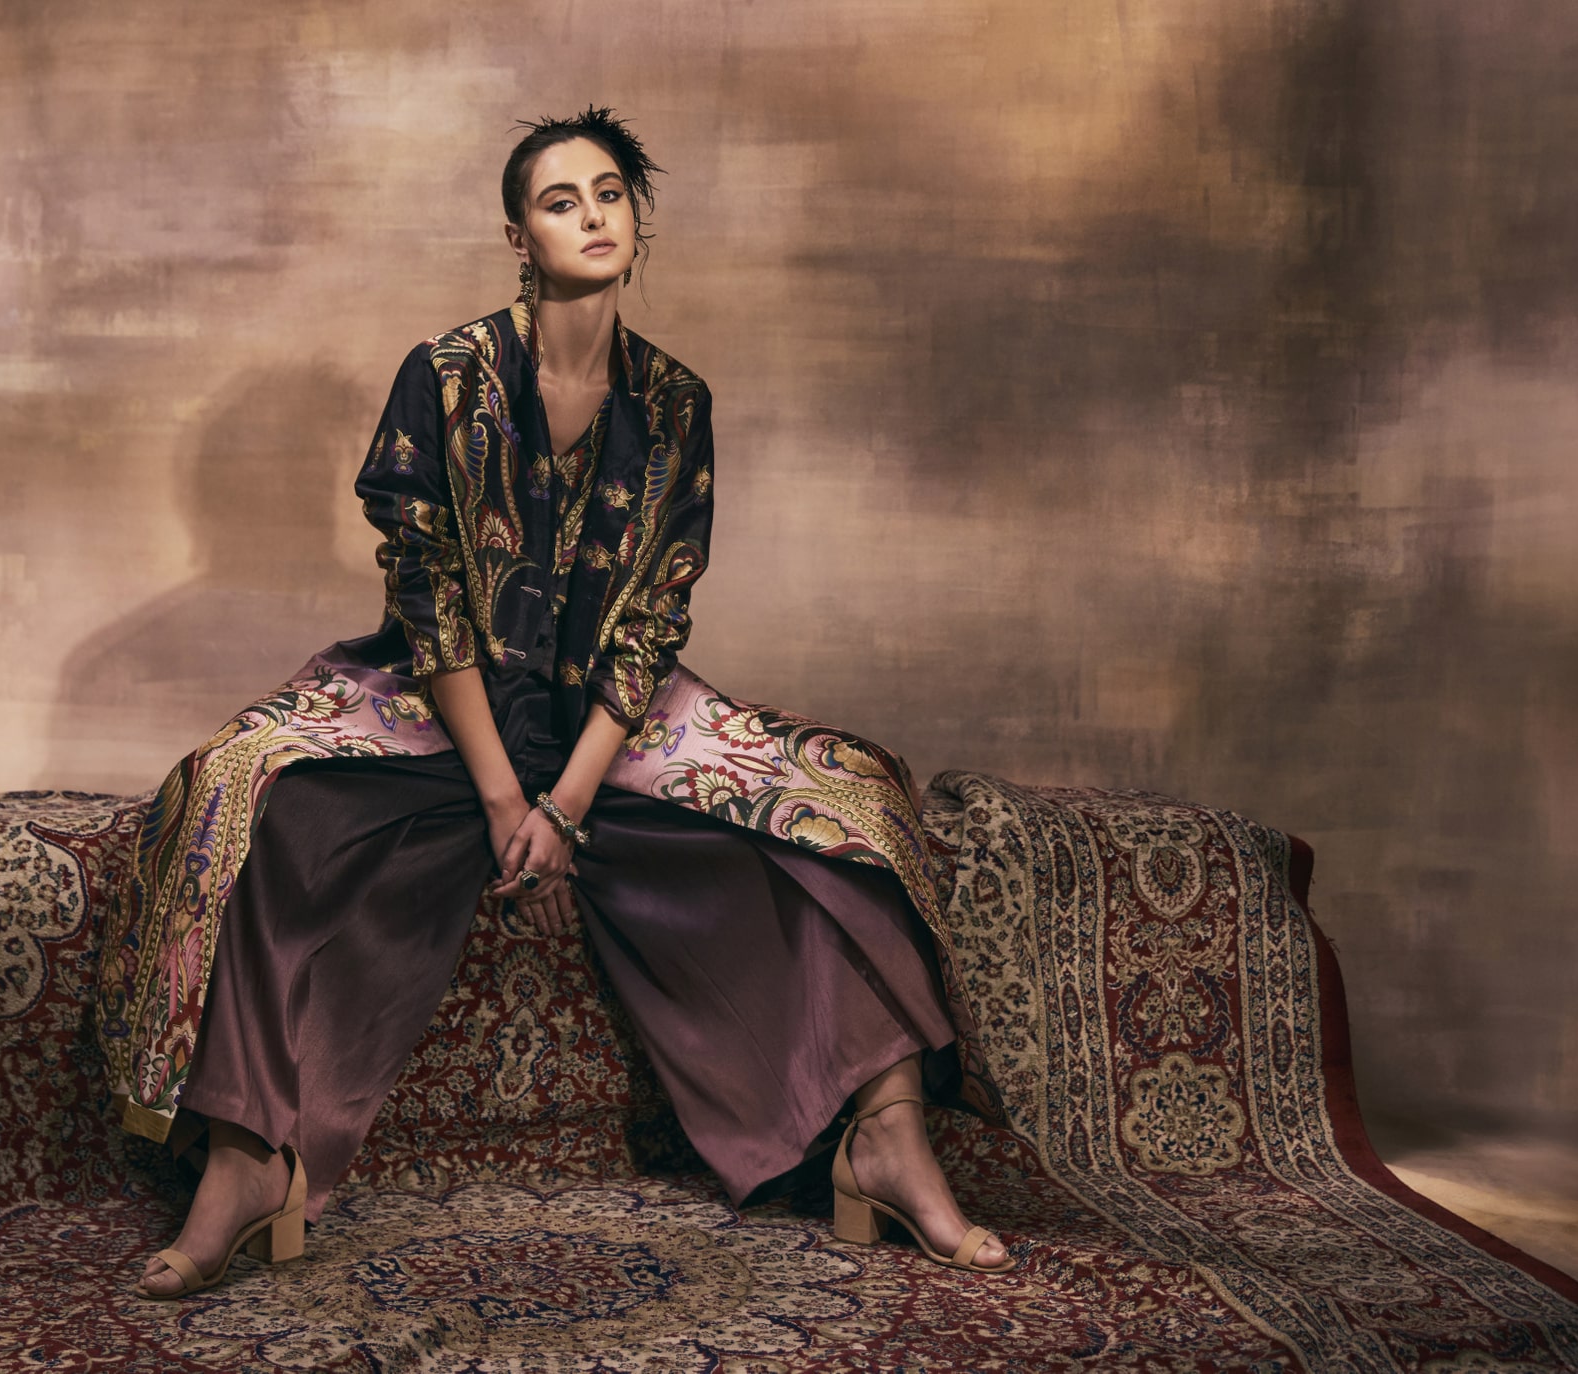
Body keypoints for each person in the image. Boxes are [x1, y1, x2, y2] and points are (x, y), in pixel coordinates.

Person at [128, 105, 1014, 1299]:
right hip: (444, 706)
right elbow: (430, 597)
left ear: (635, 220)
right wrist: (509, 803)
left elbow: (653, 620)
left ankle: (886, 1138)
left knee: (848, 799)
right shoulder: (443, 379)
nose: (593, 216)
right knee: (245, 787)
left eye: (609, 195)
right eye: (561, 200)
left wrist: (571, 803)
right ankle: (246, 1163)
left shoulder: (678, 402)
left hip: (610, 717)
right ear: (518, 235)